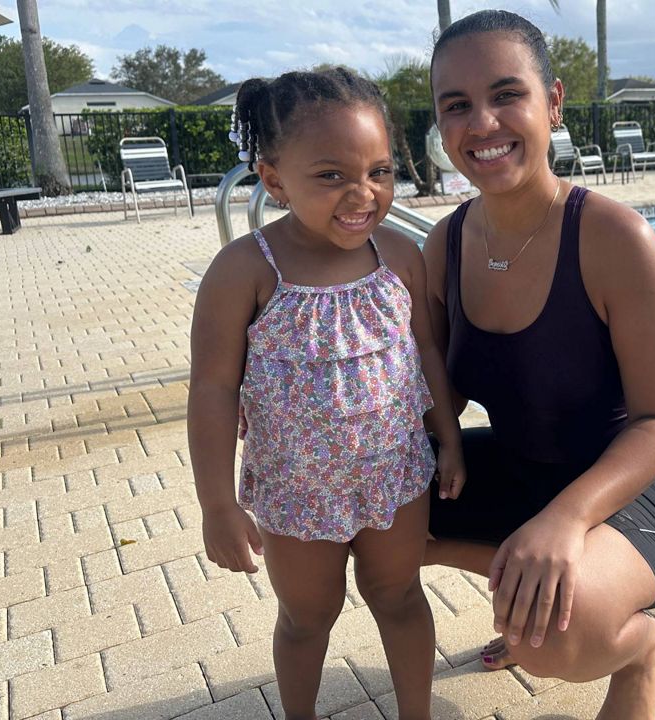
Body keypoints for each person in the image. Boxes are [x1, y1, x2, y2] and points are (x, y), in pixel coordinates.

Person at [422, 10, 655, 719]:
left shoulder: (616, 239)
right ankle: (525, 593)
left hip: (646, 487)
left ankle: (635, 648)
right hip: (530, 472)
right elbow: (435, 390)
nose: (483, 123)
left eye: (506, 95)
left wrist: (565, 521)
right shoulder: (447, 243)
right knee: (375, 511)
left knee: (558, 635)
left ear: (552, 103)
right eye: (456, 106)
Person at [187, 68, 465, 720]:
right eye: (331, 175)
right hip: (295, 488)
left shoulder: (398, 255)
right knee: (309, 617)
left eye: (379, 170)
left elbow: (425, 353)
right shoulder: (246, 270)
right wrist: (217, 504)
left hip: (394, 476)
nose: (362, 193)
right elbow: (212, 389)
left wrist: (448, 438)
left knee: (398, 596)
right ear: (274, 178)